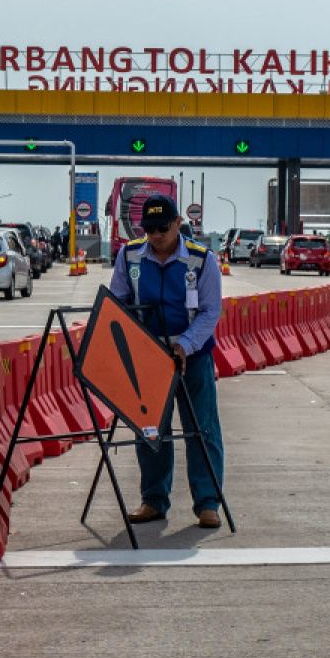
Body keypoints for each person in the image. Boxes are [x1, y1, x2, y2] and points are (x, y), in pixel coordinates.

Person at [109, 195, 225, 529]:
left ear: (177, 224)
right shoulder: (129, 255)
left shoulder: (203, 261)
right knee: (150, 431)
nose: (156, 235)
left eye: (162, 228)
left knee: (201, 430)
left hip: (193, 357)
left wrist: (184, 346)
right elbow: (118, 301)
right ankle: (153, 500)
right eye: (149, 229)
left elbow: (209, 312)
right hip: (147, 358)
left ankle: (207, 503)